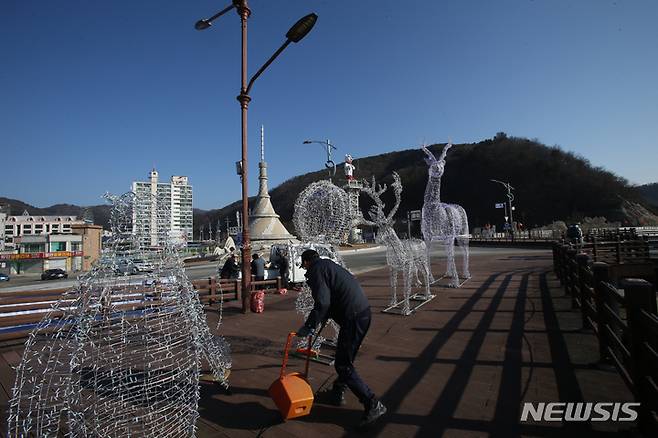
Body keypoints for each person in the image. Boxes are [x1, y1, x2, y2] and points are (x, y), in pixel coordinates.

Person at [296, 249, 386, 428]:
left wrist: (309, 325)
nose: (305, 269)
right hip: (363, 313)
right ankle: (338, 390)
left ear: (306, 262)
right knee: (346, 359)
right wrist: (323, 315)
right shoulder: (328, 265)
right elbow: (331, 298)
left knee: (343, 365)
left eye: (303, 265)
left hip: (353, 317)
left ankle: (372, 403)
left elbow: (323, 302)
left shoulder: (315, 270)